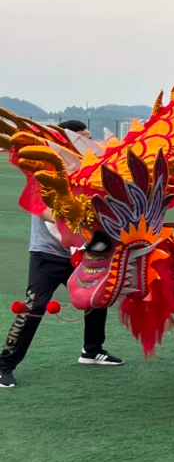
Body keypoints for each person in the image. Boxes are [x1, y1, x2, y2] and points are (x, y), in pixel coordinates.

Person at [0, 120, 124, 389]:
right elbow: (42, 209)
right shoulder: (45, 168)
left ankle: (92, 350)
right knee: (34, 307)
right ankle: (4, 364)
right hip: (48, 253)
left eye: (90, 137)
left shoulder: (91, 171)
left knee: (96, 298)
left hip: (83, 252)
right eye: (83, 137)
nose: (88, 142)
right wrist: (72, 217)